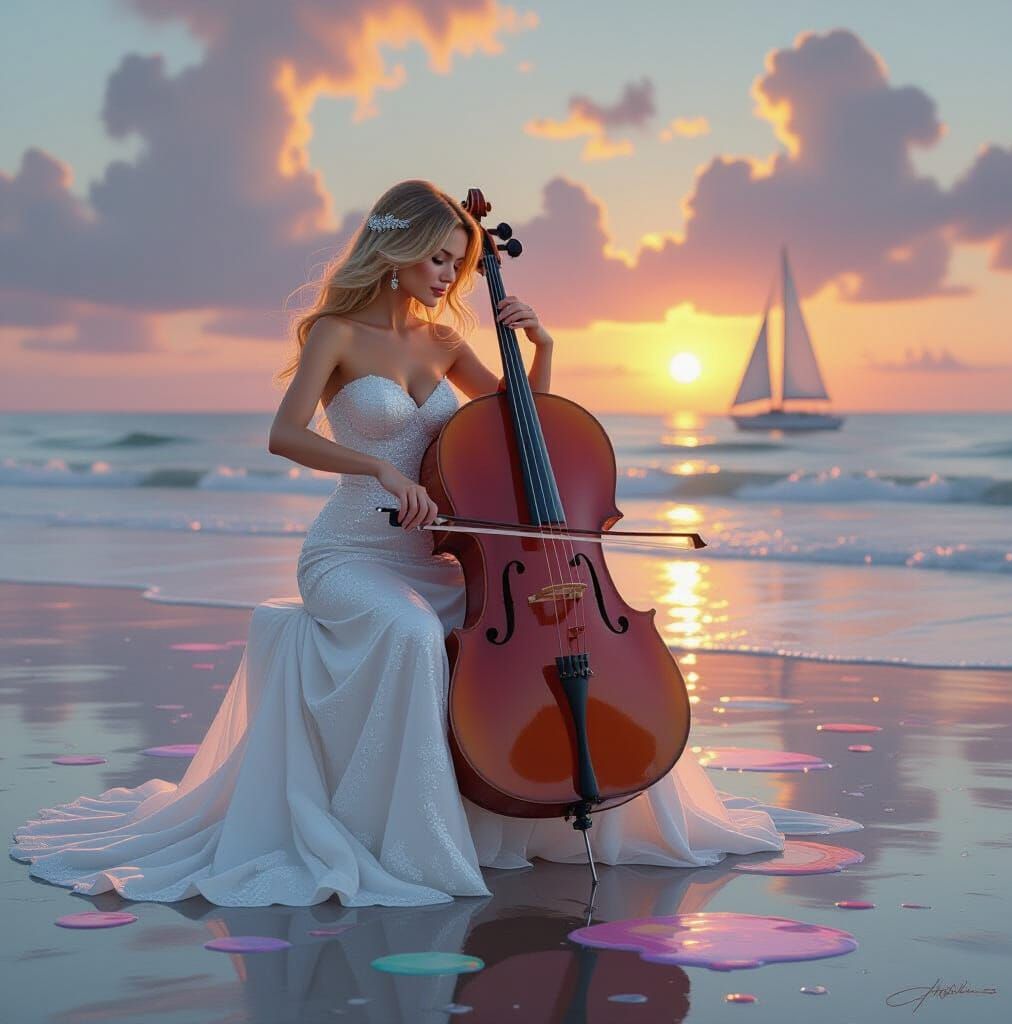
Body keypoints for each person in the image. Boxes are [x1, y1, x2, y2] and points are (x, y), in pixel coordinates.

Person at [10, 180, 855, 907]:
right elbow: (284, 434)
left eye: (462, 260)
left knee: (512, 646)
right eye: (442, 257)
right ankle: (411, 844)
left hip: (442, 560)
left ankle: (530, 802)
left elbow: (522, 431)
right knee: (416, 634)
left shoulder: (446, 341)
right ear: (401, 248)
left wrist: (542, 350)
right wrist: (378, 469)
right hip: (350, 555)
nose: (452, 274)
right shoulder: (336, 333)